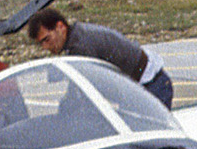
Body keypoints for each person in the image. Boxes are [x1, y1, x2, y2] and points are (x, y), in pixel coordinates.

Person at [26, 8, 174, 109]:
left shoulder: (81, 46)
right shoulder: (78, 36)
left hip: (153, 88)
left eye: (47, 39)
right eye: (41, 43)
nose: (46, 47)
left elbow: (87, 92)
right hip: (142, 88)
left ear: (60, 27)